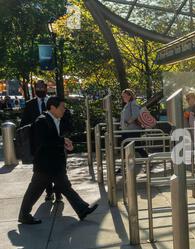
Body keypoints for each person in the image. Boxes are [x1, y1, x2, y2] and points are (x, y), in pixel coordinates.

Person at [18, 96, 98, 225]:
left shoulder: (55, 119)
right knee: (34, 191)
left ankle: (82, 209)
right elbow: (44, 141)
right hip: (45, 164)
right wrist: (62, 141)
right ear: (52, 107)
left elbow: (55, 139)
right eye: (62, 107)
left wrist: (65, 143)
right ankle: (23, 215)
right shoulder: (42, 121)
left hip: (54, 164)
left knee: (65, 187)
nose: (64, 110)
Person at [20, 80, 61, 202]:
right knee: (43, 170)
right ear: (34, 89)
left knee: (58, 168)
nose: (40, 89)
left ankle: (58, 192)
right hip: (39, 145)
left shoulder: (53, 102)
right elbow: (24, 123)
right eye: (38, 87)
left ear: (46, 88)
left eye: (42, 87)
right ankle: (49, 193)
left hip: (54, 141)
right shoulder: (30, 104)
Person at [117, 89, 147, 175]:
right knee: (127, 148)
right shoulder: (128, 104)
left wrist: (127, 123)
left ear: (129, 96)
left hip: (132, 130)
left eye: (125, 96)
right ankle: (123, 167)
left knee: (138, 148)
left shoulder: (133, 104)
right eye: (122, 96)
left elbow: (136, 115)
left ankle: (148, 163)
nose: (123, 98)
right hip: (127, 131)